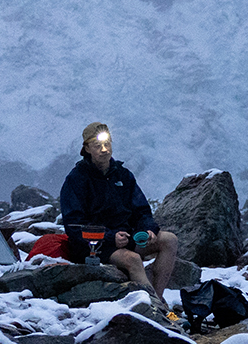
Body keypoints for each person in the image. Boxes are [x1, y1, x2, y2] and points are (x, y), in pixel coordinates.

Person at [59, 122, 180, 300]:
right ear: (86, 148)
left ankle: (157, 298)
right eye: (97, 145)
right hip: (95, 246)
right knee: (133, 260)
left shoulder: (122, 175)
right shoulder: (76, 180)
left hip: (126, 237)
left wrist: (148, 229)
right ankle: (158, 310)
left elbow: (142, 210)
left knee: (169, 240)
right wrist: (110, 237)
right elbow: (74, 226)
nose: (104, 149)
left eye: (107, 144)